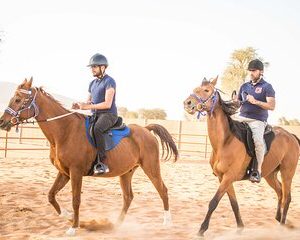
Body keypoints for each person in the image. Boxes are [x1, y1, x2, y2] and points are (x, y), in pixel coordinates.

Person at [72, 53, 118, 175]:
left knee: (97, 129)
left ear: (103, 67)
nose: (92, 69)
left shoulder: (110, 81)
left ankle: (102, 162)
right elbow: (89, 101)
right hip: (95, 115)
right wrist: (80, 105)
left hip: (108, 115)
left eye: (95, 66)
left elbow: (107, 104)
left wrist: (88, 106)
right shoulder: (92, 83)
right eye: (91, 67)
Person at [236, 59, 275, 183]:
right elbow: (237, 103)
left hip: (257, 120)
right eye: (250, 71)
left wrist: (255, 101)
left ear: (261, 72)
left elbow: (271, 106)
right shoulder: (244, 86)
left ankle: (256, 171)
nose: (251, 73)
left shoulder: (267, 87)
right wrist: (233, 102)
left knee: (258, 142)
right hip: (241, 117)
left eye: (254, 71)